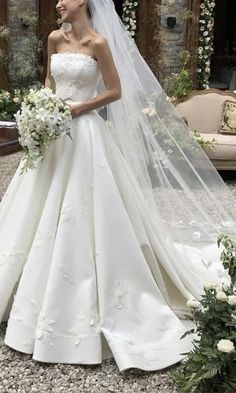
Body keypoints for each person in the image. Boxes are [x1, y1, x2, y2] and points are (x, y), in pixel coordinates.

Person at [0, 0, 236, 372]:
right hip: (52, 135)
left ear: (85, 2)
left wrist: (76, 109)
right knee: (31, 209)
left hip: (86, 135)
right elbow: (48, 81)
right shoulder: (53, 38)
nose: (59, 2)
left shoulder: (99, 44)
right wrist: (40, 112)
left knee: (84, 212)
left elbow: (114, 91)